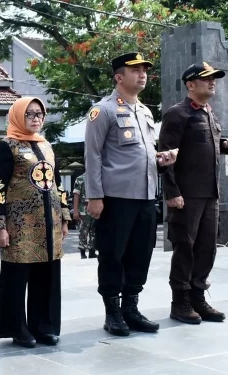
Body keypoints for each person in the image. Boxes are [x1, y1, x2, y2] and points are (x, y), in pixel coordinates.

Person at [84, 52, 177, 337]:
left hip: (146, 196)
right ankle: (112, 312)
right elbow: (93, 155)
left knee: (140, 254)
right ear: (118, 76)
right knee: (113, 255)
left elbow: (143, 152)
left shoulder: (146, 112)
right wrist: (95, 196)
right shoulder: (103, 110)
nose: (142, 74)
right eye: (135, 70)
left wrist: (160, 160)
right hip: (115, 199)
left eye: (145, 70)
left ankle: (131, 309)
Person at [0, 96, 70, 348]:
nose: (35, 119)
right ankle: (17, 329)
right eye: (30, 114)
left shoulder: (47, 145)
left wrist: (64, 218)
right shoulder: (7, 145)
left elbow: (56, 184)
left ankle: (44, 326)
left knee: (47, 276)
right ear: (19, 116)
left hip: (49, 223)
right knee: (16, 278)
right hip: (19, 225)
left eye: (40, 114)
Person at [159, 62, 228, 325]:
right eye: (207, 79)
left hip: (210, 193)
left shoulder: (209, 112)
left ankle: (198, 297)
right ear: (190, 84)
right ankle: (181, 302)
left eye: (214, 79)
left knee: (206, 248)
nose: (213, 82)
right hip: (186, 196)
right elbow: (166, 156)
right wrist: (173, 192)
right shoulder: (177, 114)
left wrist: (223, 145)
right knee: (185, 248)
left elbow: (205, 145)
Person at [73, 172, 97, 259]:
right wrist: (75, 211)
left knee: (94, 230)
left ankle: (92, 251)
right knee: (83, 230)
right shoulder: (80, 179)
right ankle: (82, 252)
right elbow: (76, 195)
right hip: (83, 208)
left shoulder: (97, 178)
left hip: (95, 208)